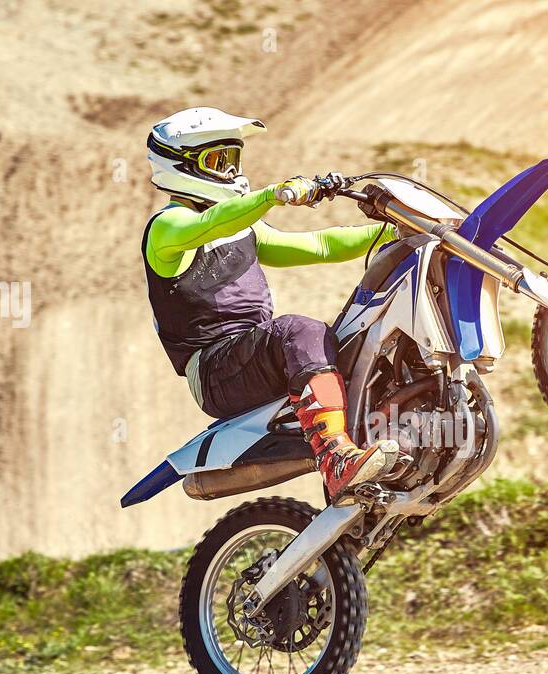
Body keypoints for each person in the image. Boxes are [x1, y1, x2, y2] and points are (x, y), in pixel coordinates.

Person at [142, 106, 399, 499]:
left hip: (250, 355)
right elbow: (211, 224)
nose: (230, 171)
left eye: (234, 158)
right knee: (297, 329)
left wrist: (393, 230)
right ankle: (336, 459)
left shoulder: (240, 225)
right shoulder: (168, 226)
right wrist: (273, 195)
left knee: (352, 339)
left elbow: (320, 244)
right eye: (218, 160)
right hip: (215, 370)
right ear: (182, 166)